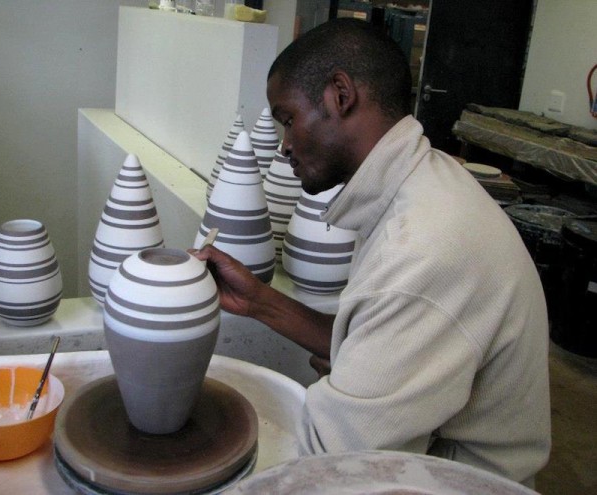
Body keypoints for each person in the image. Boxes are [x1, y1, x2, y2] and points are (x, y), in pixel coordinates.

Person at [193, 18, 550, 487]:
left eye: (288, 119)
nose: (283, 146)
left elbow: (334, 467)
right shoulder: (415, 182)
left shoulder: (422, 247)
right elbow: (369, 330)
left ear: (340, 94)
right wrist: (259, 301)